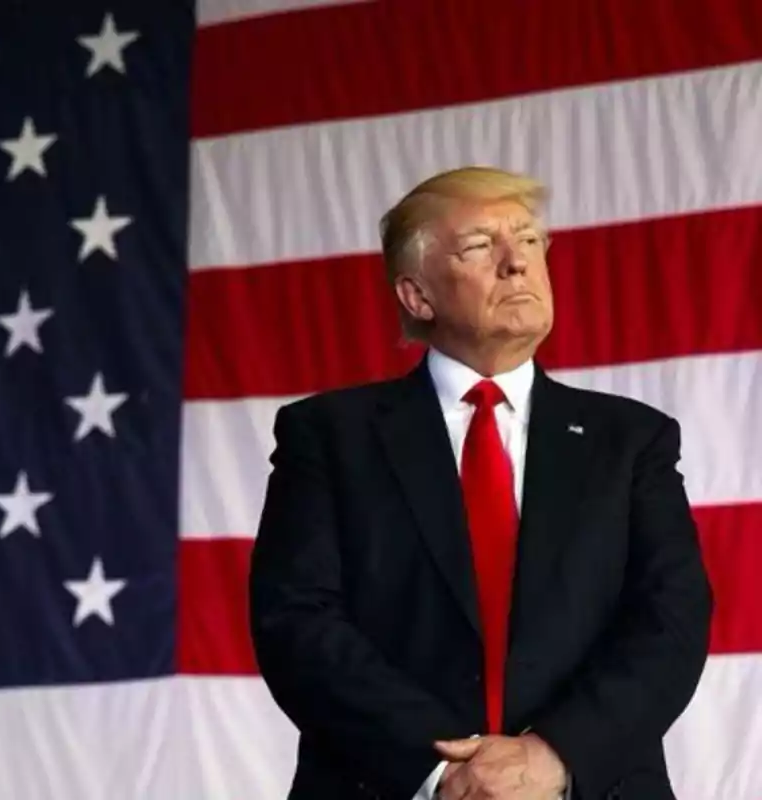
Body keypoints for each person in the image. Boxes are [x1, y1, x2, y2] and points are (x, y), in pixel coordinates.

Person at [248, 166, 713, 800]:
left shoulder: (632, 440)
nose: (516, 264)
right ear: (417, 296)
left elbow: (672, 620)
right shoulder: (328, 436)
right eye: (478, 246)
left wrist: (551, 758)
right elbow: (296, 623)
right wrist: (445, 772)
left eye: (527, 241)